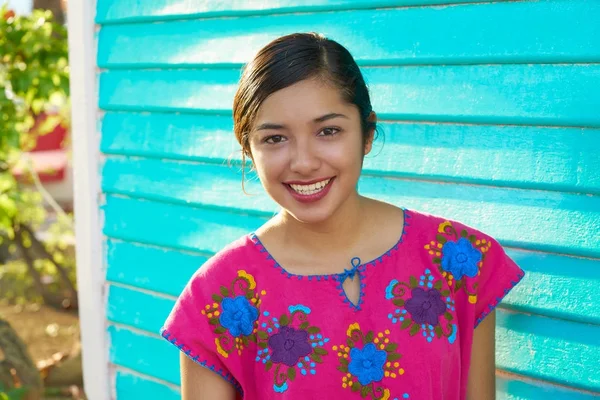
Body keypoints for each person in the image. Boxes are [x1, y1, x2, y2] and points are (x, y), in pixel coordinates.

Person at [161, 32, 525, 400]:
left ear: (367, 134)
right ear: (248, 149)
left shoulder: (457, 260)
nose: (303, 162)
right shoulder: (220, 296)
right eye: (275, 138)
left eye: (328, 131)